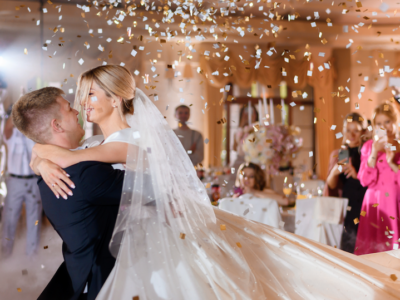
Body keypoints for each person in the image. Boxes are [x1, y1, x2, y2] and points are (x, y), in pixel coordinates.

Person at [30, 65, 400, 299]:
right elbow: (71, 155)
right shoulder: (99, 143)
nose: (83, 102)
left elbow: (70, 157)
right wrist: (40, 159)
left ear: (113, 98)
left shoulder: (132, 141)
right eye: (82, 94)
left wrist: (43, 157)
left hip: (159, 240)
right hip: (133, 244)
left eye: (90, 93)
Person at [12, 87, 126, 300]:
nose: (77, 111)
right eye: (68, 108)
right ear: (57, 125)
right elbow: (153, 186)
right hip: (106, 282)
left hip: (79, 275)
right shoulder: (84, 174)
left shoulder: (52, 171)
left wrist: (39, 158)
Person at [355, 103, 400, 255]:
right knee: (371, 251)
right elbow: (364, 180)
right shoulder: (368, 146)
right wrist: (374, 152)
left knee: (393, 252)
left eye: (387, 121)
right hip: (373, 203)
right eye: (379, 124)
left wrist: (392, 163)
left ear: (395, 121)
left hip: (395, 204)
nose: (384, 127)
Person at [1, 99, 42, 257]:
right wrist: (17, 110)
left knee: (34, 220)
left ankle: (32, 259)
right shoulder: (11, 134)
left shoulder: (32, 132)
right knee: (9, 219)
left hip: (34, 180)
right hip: (15, 181)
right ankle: (5, 255)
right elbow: (7, 130)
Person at [324, 112, 368, 253]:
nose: (352, 135)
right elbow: (332, 188)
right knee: (348, 249)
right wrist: (335, 172)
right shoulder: (339, 153)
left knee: (365, 247)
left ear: (363, 132)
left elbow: (374, 182)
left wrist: (357, 175)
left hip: (365, 204)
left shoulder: (368, 153)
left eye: (356, 130)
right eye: (348, 130)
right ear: (343, 131)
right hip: (347, 208)